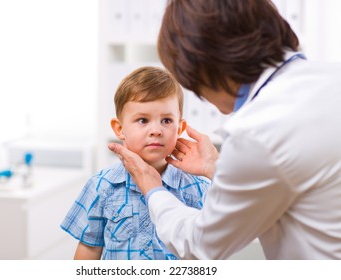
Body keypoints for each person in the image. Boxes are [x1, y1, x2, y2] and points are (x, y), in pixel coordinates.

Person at [108, 0, 341, 259]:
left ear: (205, 68)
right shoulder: (331, 79)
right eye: (142, 120)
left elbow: (201, 245)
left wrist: (152, 189)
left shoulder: (258, 133)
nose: (206, 100)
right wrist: (214, 166)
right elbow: (286, 174)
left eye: (197, 87)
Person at [61, 66, 211, 260]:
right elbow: (89, 249)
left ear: (180, 127)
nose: (156, 130)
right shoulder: (102, 186)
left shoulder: (198, 189)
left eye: (166, 120)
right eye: (142, 120)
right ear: (120, 128)